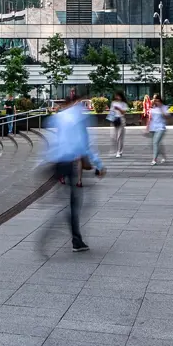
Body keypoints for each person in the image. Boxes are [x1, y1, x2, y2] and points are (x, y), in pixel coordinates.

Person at [43, 95, 105, 252]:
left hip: (57, 163)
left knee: (68, 200)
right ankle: (76, 240)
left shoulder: (59, 117)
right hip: (70, 163)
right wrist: (99, 165)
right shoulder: (80, 118)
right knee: (75, 205)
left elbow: (52, 138)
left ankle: (70, 228)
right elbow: (85, 145)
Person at [148, 96, 170, 165]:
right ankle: (164, 156)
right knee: (157, 144)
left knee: (155, 142)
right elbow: (150, 118)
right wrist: (147, 127)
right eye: (155, 101)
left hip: (161, 128)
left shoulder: (164, 107)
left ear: (160, 101)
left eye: (158, 101)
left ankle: (154, 159)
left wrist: (161, 109)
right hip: (153, 128)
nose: (156, 102)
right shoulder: (153, 108)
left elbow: (166, 117)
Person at [108, 93, 128, 158]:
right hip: (114, 120)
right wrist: (111, 119)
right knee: (114, 136)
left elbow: (124, 113)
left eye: (118, 96)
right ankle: (116, 150)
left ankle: (119, 151)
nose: (117, 97)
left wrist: (119, 109)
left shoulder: (124, 104)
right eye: (116, 96)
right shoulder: (113, 103)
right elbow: (111, 112)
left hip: (121, 120)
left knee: (119, 137)